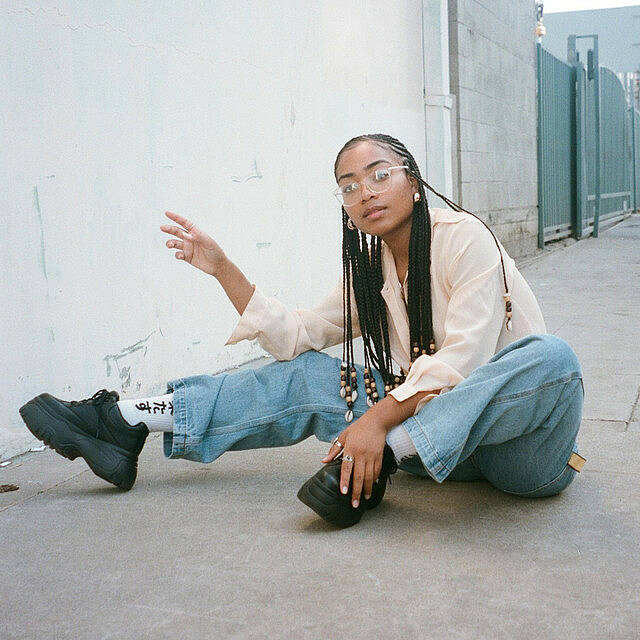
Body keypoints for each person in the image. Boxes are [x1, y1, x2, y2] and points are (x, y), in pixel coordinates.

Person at [19, 133, 586, 528]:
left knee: (553, 357)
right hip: (437, 453)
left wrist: (375, 423)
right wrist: (223, 268)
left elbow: (464, 360)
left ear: (413, 183)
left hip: (520, 454)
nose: (365, 192)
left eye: (380, 175)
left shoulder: (465, 238)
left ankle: (382, 455)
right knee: (315, 374)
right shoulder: (371, 269)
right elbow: (296, 334)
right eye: (349, 185)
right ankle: (125, 421)